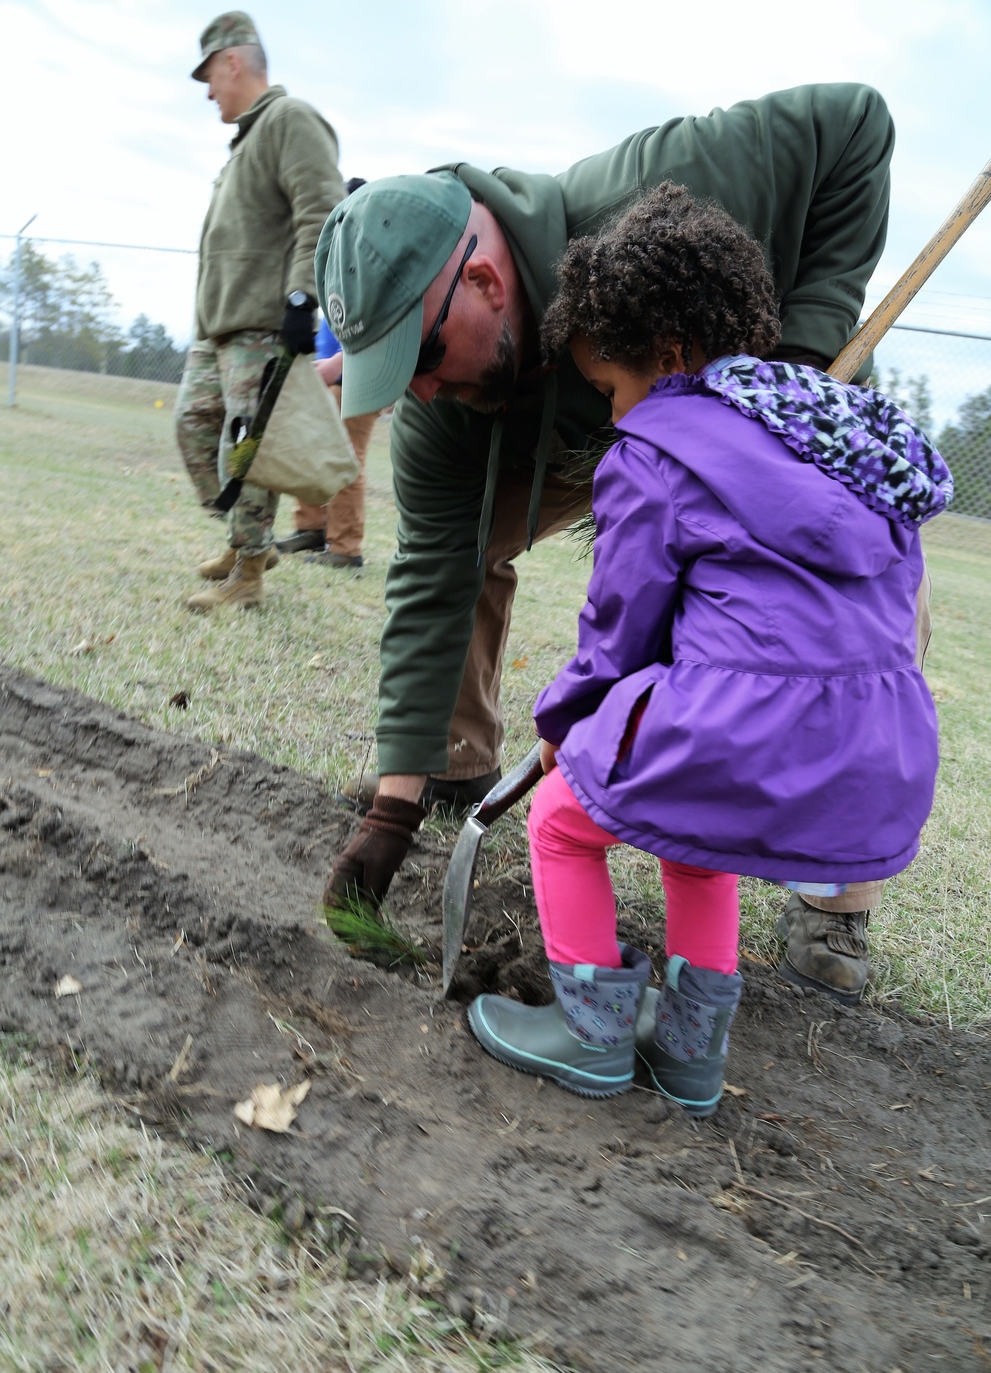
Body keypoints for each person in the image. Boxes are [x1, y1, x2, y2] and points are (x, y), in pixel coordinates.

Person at [316, 83, 905, 1001]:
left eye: (421, 358)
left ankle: (833, 887)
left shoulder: (673, 185)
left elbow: (854, 120)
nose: (417, 394)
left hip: (730, 427)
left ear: (483, 283)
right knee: (459, 554)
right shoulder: (449, 406)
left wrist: (800, 354)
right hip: (553, 428)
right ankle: (453, 770)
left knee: (839, 586)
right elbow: (433, 572)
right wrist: (392, 808)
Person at [464, 185, 947, 1117]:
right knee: (698, 837)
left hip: (749, 722)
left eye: (610, 388)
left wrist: (564, 718)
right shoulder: (829, 438)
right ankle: (690, 1054)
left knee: (563, 818)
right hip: (877, 742)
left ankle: (593, 1035)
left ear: (671, 357)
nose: (613, 413)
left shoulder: (656, 450)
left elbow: (620, 630)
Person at [175, 11, 345, 612]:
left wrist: (304, 299)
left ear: (233, 61)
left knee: (245, 449)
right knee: (193, 425)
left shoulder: (290, 120)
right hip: (219, 327)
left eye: (210, 77)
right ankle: (248, 541)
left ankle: (248, 577)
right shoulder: (247, 137)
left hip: (263, 325)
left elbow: (320, 211)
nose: (209, 92)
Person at [275, 182, 376, 568]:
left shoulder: (371, 263)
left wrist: (337, 366)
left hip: (358, 377)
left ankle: (345, 548)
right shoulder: (338, 257)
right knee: (311, 448)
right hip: (327, 373)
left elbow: (379, 329)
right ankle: (312, 528)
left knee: (345, 459)